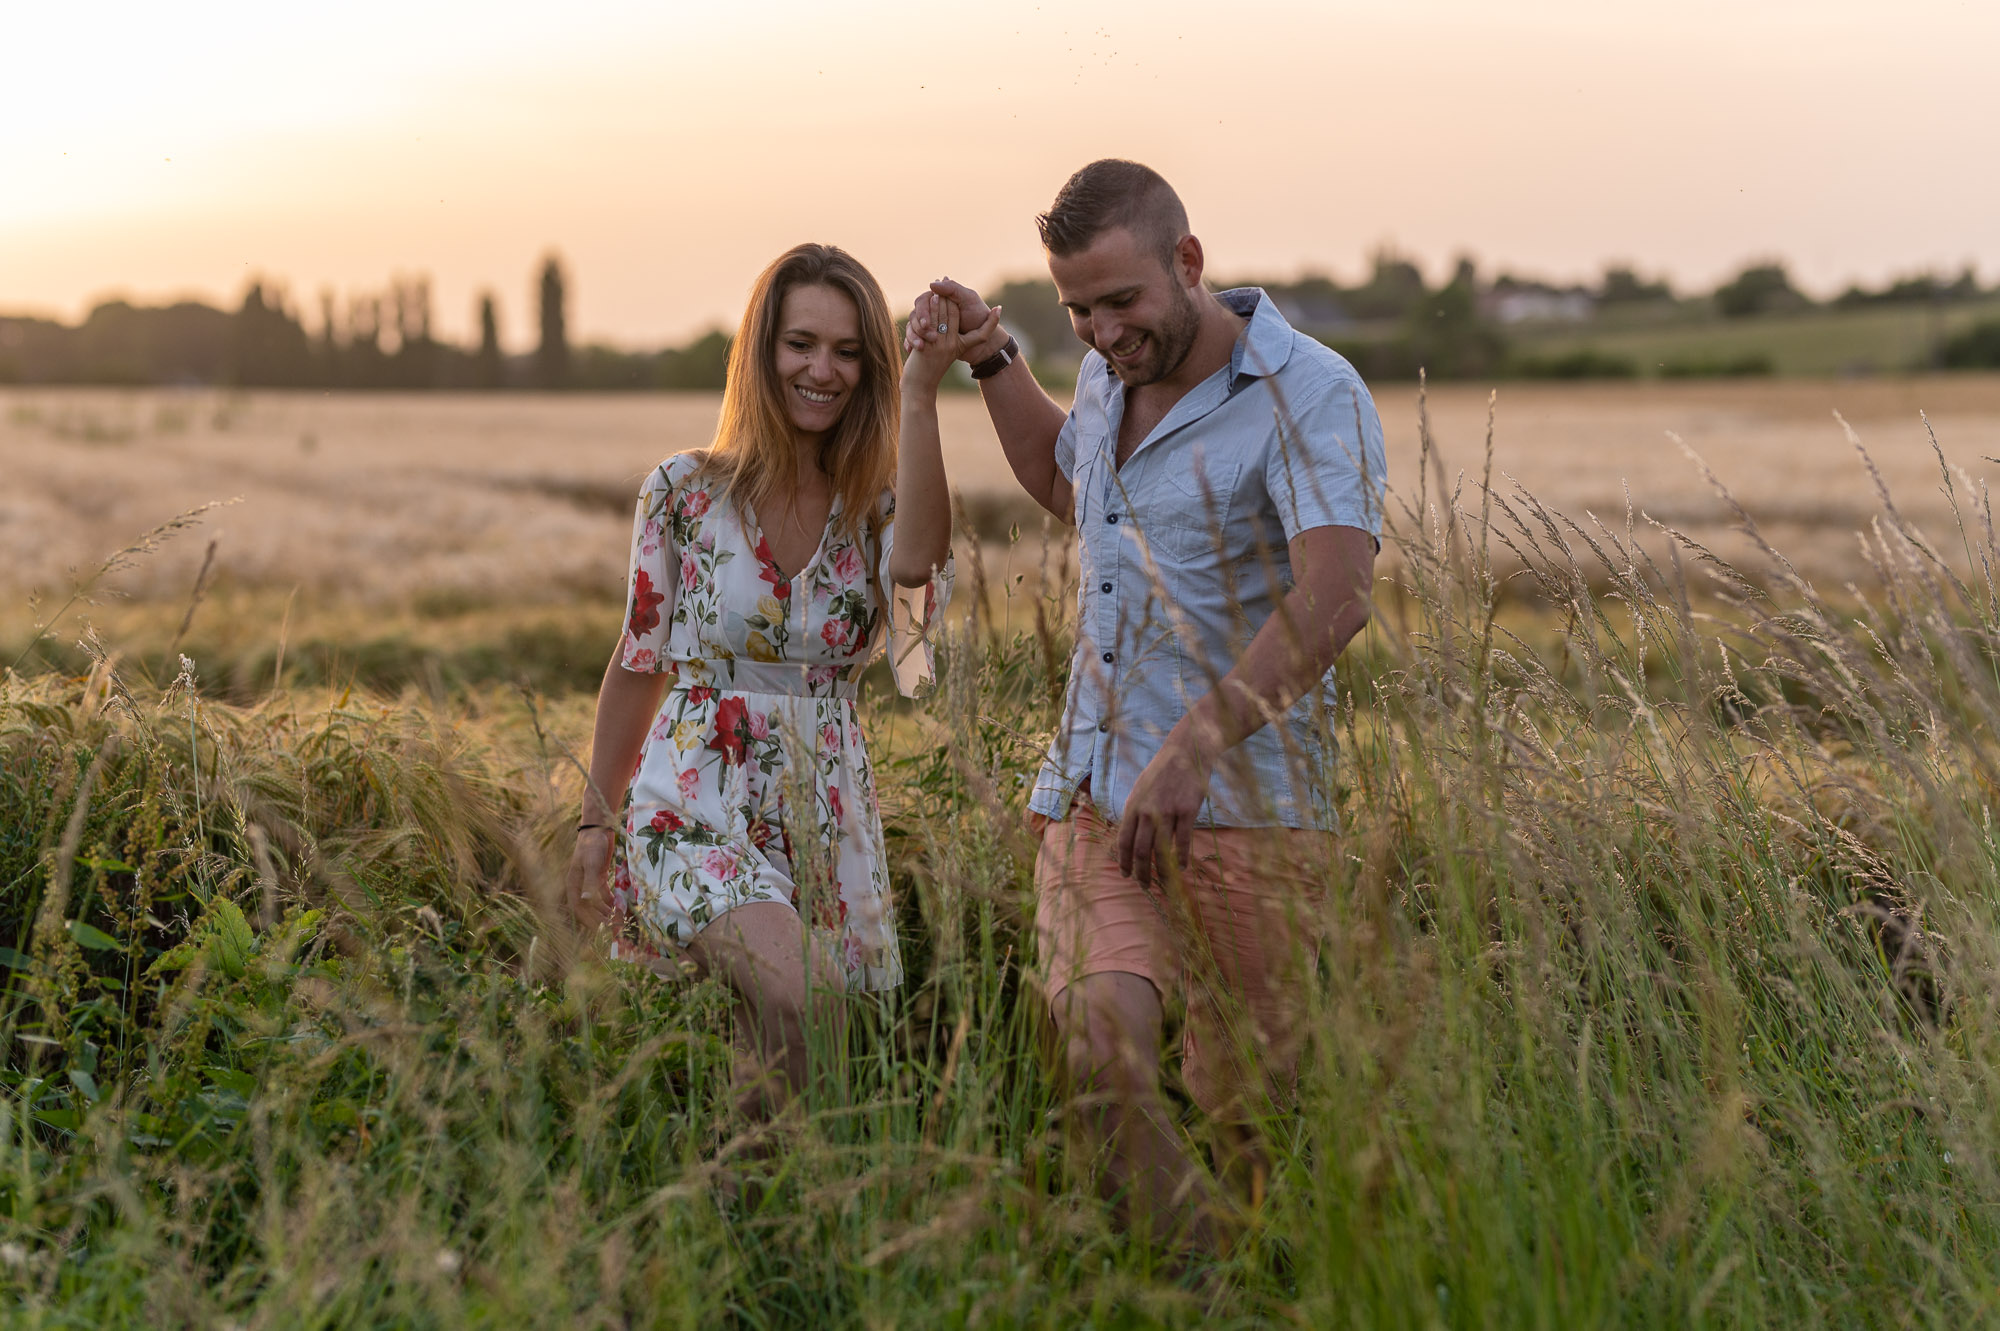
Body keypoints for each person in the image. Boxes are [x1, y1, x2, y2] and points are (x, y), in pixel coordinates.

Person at [909, 160, 1385, 1250]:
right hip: (1094, 797)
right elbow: (1071, 487)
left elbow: (1337, 592)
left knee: (1254, 1119)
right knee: (1096, 1049)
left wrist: (1194, 745)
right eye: (1078, 310)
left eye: (1120, 301)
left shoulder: (1309, 390)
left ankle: (1269, 1275)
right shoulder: (1100, 377)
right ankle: (1200, 1290)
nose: (1103, 332)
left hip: (1254, 810)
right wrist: (992, 357)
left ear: (1188, 261)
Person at [567, 243, 968, 1120]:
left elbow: (915, 591)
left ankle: (751, 1200)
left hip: (822, 812)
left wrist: (924, 390)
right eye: (800, 344)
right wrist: (597, 823)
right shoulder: (681, 491)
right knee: (803, 992)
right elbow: (637, 662)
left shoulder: (880, 505)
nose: (823, 370)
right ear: (761, 350)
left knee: (795, 1045)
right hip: (692, 801)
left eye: (849, 351)